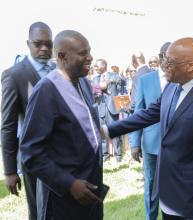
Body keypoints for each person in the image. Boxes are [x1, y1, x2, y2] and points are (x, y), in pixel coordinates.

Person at [103, 37, 193, 220]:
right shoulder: (171, 88)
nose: (163, 65)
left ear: (190, 66)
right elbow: (147, 114)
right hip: (168, 194)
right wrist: (108, 130)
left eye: (169, 62)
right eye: (164, 59)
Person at [20, 30, 103, 220]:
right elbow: (31, 152)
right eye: (83, 53)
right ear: (62, 56)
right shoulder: (46, 90)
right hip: (63, 199)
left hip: (90, 191)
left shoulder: (84, 84)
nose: (90, 57)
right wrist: (69, 183)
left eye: (89, 51)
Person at [1, 21, 54, 220]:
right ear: (28, 43)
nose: (44, 49)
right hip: (34, 159)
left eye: (48, 44)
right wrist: (9, 170)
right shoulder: (14, 76)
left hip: (63, 156)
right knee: (39, 212)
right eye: (38, 43)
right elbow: (8, 126)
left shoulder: (59, 70)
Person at [129, 42, 171, 220]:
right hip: (151, 145)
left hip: (176, 145)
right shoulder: (145, 80)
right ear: (161, 57)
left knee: (173, 187)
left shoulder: (181, 79)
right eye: (167, 57)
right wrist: (135, 143)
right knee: (151, 186)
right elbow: (138, 112)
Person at [92, 59, 123, 162]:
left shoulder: (114, 75)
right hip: (100, 107)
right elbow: (92, 92)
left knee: (115, 131)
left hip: (112, 108)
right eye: (95, 66)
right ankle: (105, 155)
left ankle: (118, 155)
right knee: (102, 132)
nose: (95, 67)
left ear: (104, 65)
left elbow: (120, 84)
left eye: (97, 65)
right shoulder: (95, 79)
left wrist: (108, 83)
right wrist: (97, 90)